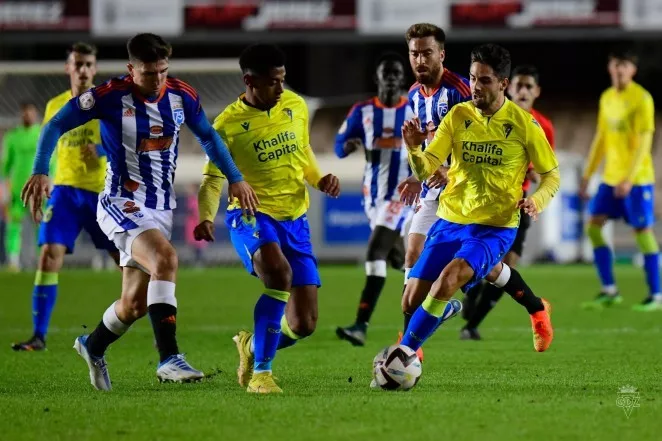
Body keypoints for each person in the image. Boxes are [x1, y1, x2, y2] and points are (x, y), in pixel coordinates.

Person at [21, 33, 257, 391]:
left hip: (160, 207)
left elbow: (208, 136)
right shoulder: (109, 96)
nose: (157, 79)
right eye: (148, 73)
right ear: (132, 69)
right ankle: (169, 358)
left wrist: (235, 179)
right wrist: (40, 168)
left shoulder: (182, 95)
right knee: (166, 259)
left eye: (163, 70)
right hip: (119, 202)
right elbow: (55, 124)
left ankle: (92, 345)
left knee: (133, 305)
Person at [195, 43, 340, 394]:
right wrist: (204, 216)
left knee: (303, 324)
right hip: (252, 215)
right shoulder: (227, 124)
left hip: (295, 217)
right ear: (250, 80)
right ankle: (261, 374)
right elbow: (214, 177)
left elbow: (301, 149)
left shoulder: (295, 105)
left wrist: (318, 177)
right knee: (278, 274)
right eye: (273, 82)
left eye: (283, 80)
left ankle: (250, 347)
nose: (281, 88)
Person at [398, 44, 557, 360]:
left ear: (503, 83)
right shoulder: (459, 115)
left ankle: (402, 357)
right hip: (451, 218)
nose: (475, 87)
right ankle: (537, 308)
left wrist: (537, 200)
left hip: (494, 227)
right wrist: (415, 150)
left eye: (484, 80)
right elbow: (428, 166)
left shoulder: (525, 125)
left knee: (448, 279)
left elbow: (551, 176)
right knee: (409, 300)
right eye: (472, 78)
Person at [11, 42, 121, 352]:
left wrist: (100, 150)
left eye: (89, 64)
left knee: (127, 263)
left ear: (94, 69)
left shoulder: (107, 103)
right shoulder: (55, 105)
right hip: (65, 193)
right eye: (78, 64)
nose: (83, 69)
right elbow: (48, 143)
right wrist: (42, 174)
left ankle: (156, 326)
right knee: (48, 255)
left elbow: (125, 145)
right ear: (68, 68)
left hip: (102, 195)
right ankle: (39, 336)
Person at [461, 64, 556, 340]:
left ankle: (472, 324)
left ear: (536, 92)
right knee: (483, 263)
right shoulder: (491, 117)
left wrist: (530, 174)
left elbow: (546, 171)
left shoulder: (542, 126)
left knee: (509, 265)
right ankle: (473, 291)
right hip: (485, 203)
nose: (523, 90)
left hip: (519, 204)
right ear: (508, 87)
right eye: (519, 85)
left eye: (529, 86)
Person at [396, 23, 471, 353]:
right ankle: (411, 345)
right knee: (411, 254)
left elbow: (478, 145)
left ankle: (534, 305)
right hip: (432, 188)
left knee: (473, 269)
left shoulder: (459, 91)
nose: (420, 59)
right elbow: (425, 147)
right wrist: (418, 174)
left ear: (441, 54)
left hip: (465, 191)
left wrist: (449, 170)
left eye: (427, 53)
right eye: (414, 53)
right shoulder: (413, 94)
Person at [334, 53, 412, 347]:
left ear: (402, 80)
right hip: (374, 198)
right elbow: (338, 144)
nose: (391, 78)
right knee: (401, 260)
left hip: (402, 196)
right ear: (377, 79)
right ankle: (439, 300)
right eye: (386, 73)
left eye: (396, 74)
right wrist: (348, 146)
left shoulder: (414, 109)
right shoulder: (362, 111)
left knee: (374, 253)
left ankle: (360, 325)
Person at [579, 48, 659, 312]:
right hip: (610, 178)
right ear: (610, 68)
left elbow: (644, 142)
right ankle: (610, 290)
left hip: (636, 180)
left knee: (643, 233)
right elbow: (601, 138)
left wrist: (629, 178)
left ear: (632, 70)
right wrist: (588, 174)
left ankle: (656, 295)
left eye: (624, 65)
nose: (620, 69)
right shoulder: (607, 97)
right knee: (593, 226)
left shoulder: (642, 99)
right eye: (616, 64)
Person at [0, 102, 40, 271]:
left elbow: (52, 161)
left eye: (30, 113)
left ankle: (41, 261)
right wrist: (3, 188)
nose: (28, 116)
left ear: (36, 114)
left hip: (39, 189)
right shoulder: (12, 137)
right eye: (25, 113)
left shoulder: (42, 134)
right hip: (17, 189)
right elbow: (4, 165)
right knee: (14, 225)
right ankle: (13, 261)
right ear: (21, 115)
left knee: (41, 224)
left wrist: (52, 181)